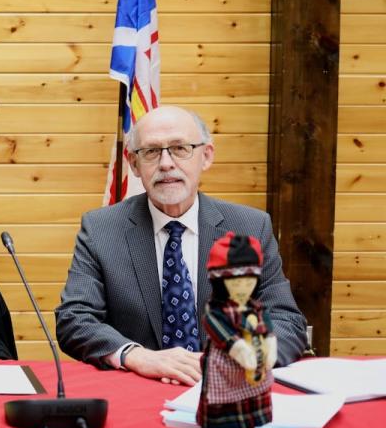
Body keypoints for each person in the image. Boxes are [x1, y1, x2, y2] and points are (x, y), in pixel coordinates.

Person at [55, 105, 307, 385]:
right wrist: (137, 356)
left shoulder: (250, 228)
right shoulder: (102, 229)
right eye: (151, 151)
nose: (166, 163)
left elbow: (286, 321)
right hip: (138, 388)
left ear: (206, 156)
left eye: (179, 148)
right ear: (134, 164)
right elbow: (74, 319)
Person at [197, 233, 275, 428]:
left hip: (252, 367)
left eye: (249, 282)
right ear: (221, 281)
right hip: (223, 365)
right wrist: (237, 347)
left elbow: (268, 327)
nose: (243, 288)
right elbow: (216, 328)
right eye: (236, 282)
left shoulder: (256, 308)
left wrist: (270, 346)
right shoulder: (215, 310)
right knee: (221, 403)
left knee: (247, 402)